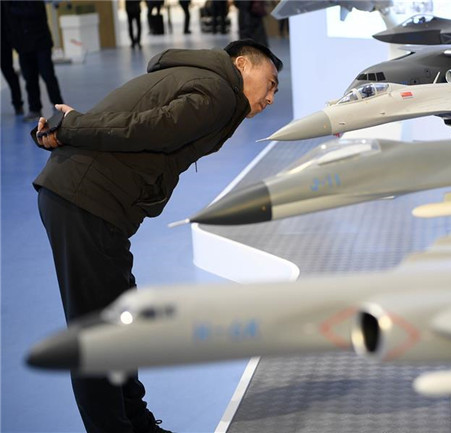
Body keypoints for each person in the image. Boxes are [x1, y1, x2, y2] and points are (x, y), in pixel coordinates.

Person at [33, 39, 282, 433]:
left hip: (92, 202)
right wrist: (72, 126)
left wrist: (69, 127)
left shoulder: (200, 79)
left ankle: (138, 422)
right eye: (270, 84)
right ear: (241, 65)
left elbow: (134, 122)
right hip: (84, 201)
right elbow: (145, 129)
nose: (270, 98)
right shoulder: (218, 92)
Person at [5, 0, 64, 122]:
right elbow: (8, 20)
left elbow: (34, 11)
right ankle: (35, 109)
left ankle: (58, 105)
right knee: (29, 78)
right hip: (22, 44)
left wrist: (14, 11)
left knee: (48, 75)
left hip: (40, 42)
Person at [0, 1, 24, 115]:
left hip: (4, 43)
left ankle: (17, 104)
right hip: (5, 41)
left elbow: (8, 20)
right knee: (9, 73)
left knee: (9, 73)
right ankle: (17, 104)